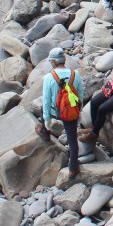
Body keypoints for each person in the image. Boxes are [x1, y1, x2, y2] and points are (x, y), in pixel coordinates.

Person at [36, 47, 86, 178]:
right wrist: (79, 110)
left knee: (42, 109)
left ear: (53, 62)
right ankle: (73, 168)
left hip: (56, 111)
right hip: (70, 111)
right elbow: (80, 94)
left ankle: (44, 132)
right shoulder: (76, 74)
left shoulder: (49, 77)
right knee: (72, 139)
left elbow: (46, 100)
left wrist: (46, 120)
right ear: (64, 60)